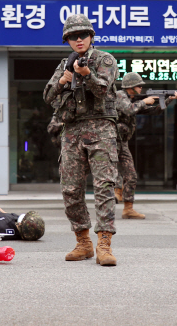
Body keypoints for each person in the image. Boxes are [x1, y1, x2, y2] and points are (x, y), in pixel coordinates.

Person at [43, 14, 119, 266]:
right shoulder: (65, 63)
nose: (78, 40)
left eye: (83, 35)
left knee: (104, 186)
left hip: (101, 130)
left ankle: (104, 244)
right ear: (67, 40)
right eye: (73, 37)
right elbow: (47, 96)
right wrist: (64, 79)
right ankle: (83, 242)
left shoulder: (104, 59)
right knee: (71, 188)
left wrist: (86, 74)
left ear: (91, 37)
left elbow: (103, 89)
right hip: (72, 130)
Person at [115, 72, 177, 219]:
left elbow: (155, 111)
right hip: (110, 141)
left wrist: (170, 98)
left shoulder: (133, 99)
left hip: (122, 142)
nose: (141, 88)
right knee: (110, 173)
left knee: (131, 175)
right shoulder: (120, 95)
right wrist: (145, 101)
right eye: (139, 86)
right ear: (130, 87)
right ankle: (113, 196)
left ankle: (128, 209)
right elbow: (129, 109)